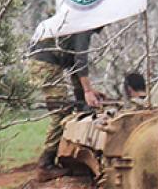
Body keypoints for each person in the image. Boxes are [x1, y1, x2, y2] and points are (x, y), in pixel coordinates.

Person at [26, 27, 103, 180]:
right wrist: (87, 91)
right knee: (60, 111)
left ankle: (62, 155)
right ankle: (46, 164)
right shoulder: (84, 28)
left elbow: (75, 67)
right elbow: (80, 61)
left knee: (74, 106)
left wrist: (85, 93)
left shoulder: (78, 25)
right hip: (45, 62)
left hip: (43, 58)